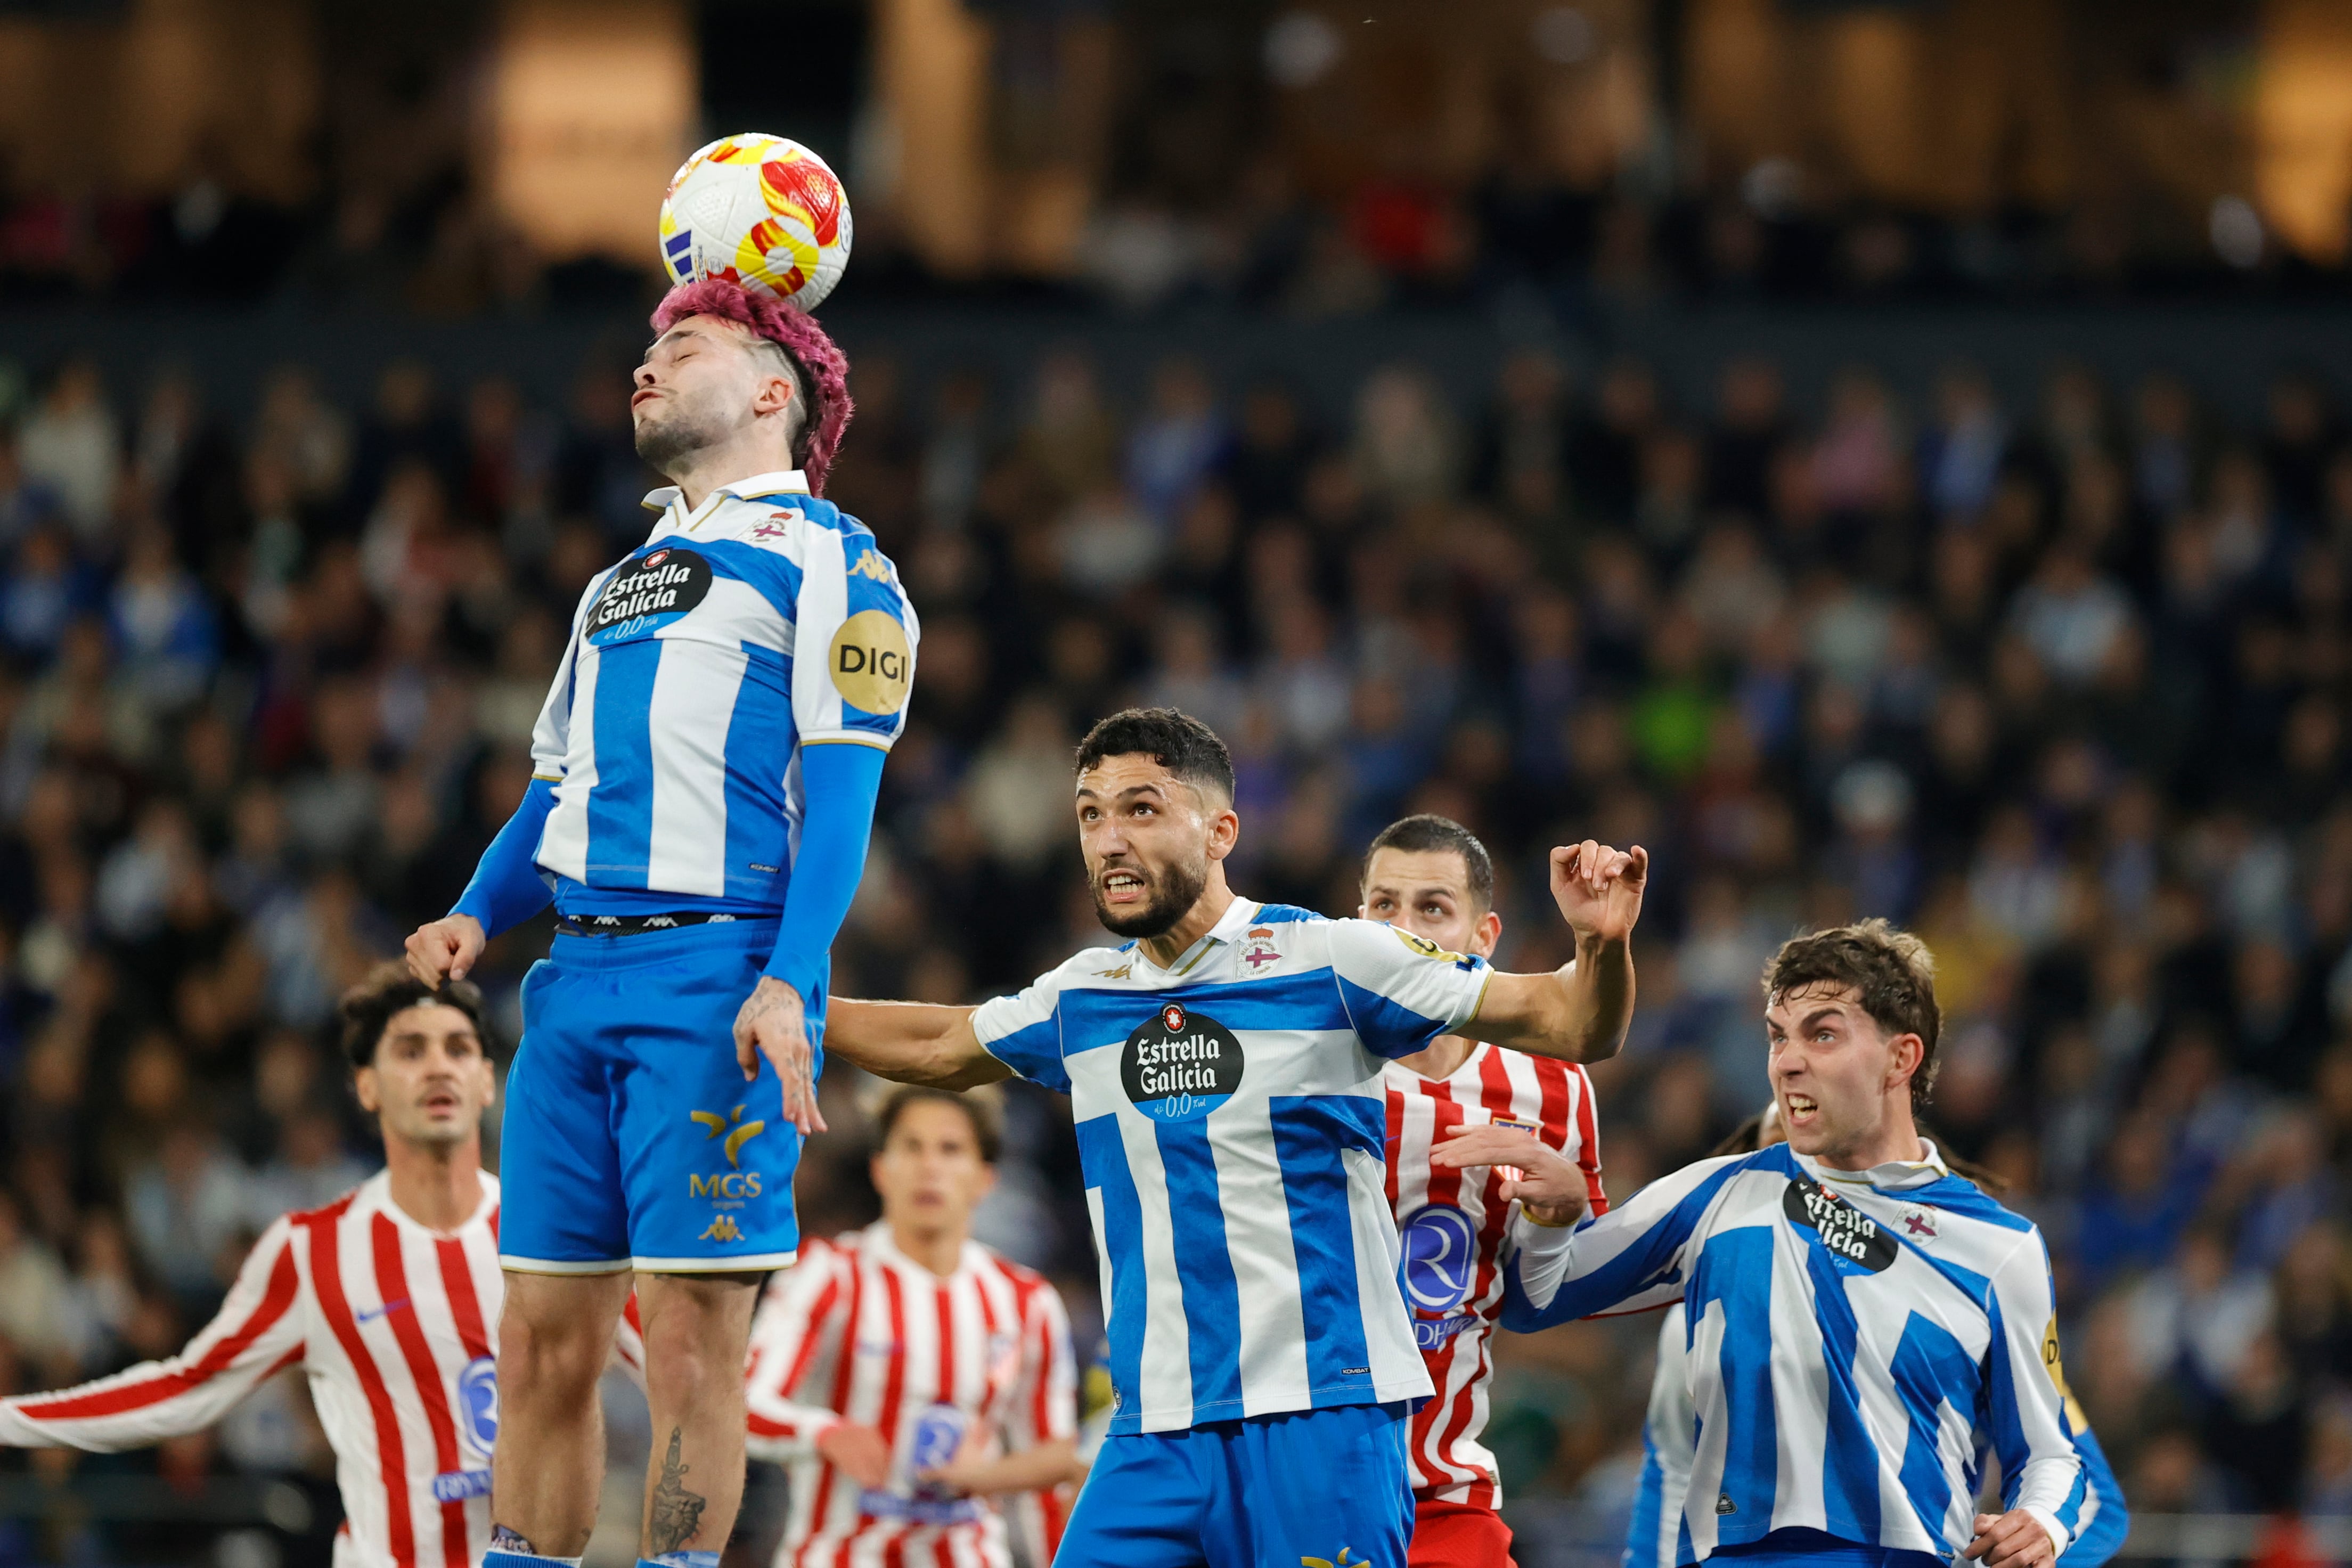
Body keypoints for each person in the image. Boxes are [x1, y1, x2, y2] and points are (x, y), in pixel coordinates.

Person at [815, 707, 1649, 1568]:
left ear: (1220, 831)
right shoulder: (1083, 993)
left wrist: (1600, 941)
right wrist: (785, 997)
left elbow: (1576, 1023)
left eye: (1140, 808)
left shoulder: (1331, 957)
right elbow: (936, 1045)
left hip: (1324, 1412)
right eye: (1090, 812)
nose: (1108, 837)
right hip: (1156, 1424)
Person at [403, 277, 916, 1568]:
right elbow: (554, 790)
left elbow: (844, 794)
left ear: (769, 393)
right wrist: (475, 910)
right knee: (539, 1338)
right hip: (570, 985)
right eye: (645, 350)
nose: (646, 365)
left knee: (688, 1337)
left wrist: (789, 977)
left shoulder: (838, 565)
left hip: (712, 975)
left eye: (679, 346)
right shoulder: (615, 582)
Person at [0, 963, 643, 1568]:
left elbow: (683, 1373)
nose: (438, 1068)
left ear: (485, 1079)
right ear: (367, 1085)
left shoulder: (562, 1243)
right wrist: (10, 1419)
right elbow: (185, 1390)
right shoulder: (313, 1251)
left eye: (457, 1047)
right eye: (410, 1050)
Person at [1505, 919, 2089, 1568]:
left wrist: (2040, 1521)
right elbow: (1537, 1298)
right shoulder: (1715, 1196)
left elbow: (2049, 1453)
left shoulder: (1998, 1246)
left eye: (1824, 1034)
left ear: (1902, 1058)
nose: (1786, 1061)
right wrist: (1551, 1217)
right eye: (1778, 1036)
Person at [1627, 1105, 2129, 1568]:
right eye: (1775, 1152)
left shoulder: (1957, 1310)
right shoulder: (1692, 1327)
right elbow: (1673, 1473)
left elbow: (2090, 1499)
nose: (1799, 1167)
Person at [1358, 814, 1609, 1568]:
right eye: (1383, 907)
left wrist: (1557, 1217)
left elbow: (1540, 1304)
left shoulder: (1554, 1086)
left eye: (1432, 908)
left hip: (1444, 1488)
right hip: (1298, 1478)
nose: (1403, 931)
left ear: (1484, 934)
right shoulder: (1300, 1063)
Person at [742, 1085, 1081, 1567]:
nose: (930, 1167)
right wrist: (823, 1431)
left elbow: (1047, 1472)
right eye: (912, 1147)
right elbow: (746, 1404)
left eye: (950, 1149)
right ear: (881, 1169)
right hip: (839, 1556)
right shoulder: (830, 1272)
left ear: (986, 1178)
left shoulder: (1028, 1302)